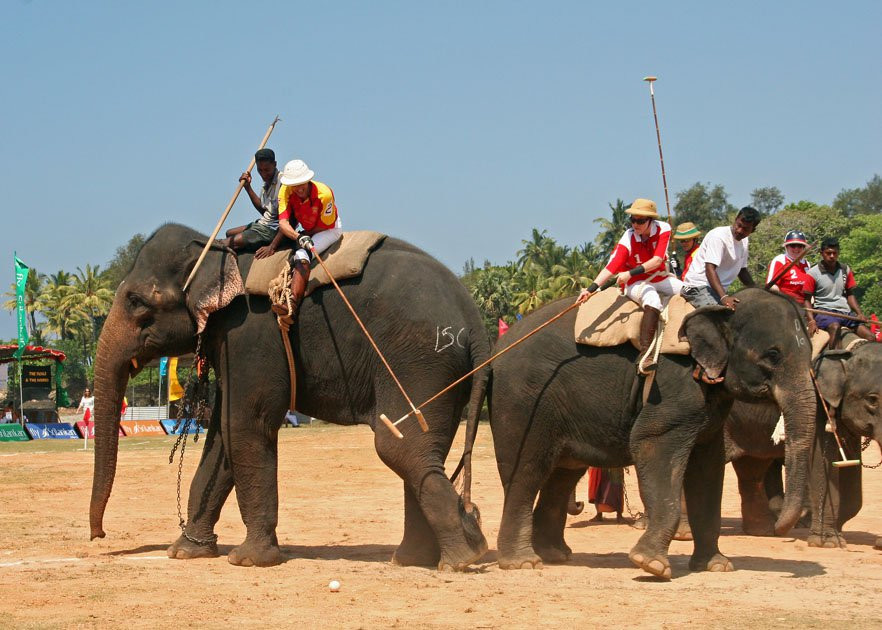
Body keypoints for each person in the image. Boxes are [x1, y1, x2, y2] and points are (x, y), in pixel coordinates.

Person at [578, 198, 682, 374]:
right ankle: (646, 355)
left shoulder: (664, 228)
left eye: (640, 221)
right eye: (633, 220)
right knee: (652, 299)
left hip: (658, 276)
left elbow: (657, 260)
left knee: (689, 290)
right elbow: (612, 267)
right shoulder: (628, 237)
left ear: (651, 221)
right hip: (636, 282)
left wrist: (629, 272)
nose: (635, 224)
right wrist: (591, 289)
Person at [270, 159, 343, 322]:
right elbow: (283, 223)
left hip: (328, 229)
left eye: (301, 183)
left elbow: (327, 224)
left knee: (302, 253)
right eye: (294, 185)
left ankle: (292, 306)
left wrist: (304, 236)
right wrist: (298, 236)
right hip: (306, 231)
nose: (298, 189)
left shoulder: (324, 194)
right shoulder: (285, 192)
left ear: (308, 180)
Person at [680, 206, 761, 310]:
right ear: (736, 219)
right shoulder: (718, 237)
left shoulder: (744, 241)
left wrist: (758, 290)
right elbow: (710, 268)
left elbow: (742, 271)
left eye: (745, 229)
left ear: (752, 230)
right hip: (697, 287)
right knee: (720, 318)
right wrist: (724, 297)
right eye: (739, 225)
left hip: (717, 291)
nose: (740, 230)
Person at [808, 237, 876, 349]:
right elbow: (807, 299)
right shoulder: (812, 273)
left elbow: (850, 294)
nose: (832, 256)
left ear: (838, 253)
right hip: (824, 312)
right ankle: (831, 359)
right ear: (822, 253)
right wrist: (811, 320)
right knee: (835, 327)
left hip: (845, 313)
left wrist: (859, 313)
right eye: (828, 253)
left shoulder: (845, 270)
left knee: (871, 336)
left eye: (835, 253)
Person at [223, 148, 284, 259]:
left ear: (275, 164)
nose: (263, 174)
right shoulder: (266, 185)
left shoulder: (283, 184)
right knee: (229, 233)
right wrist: (248, 187)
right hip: (263, 224)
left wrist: (272, 246)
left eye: (267, 170)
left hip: (271, 230)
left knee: (224, 244)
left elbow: (289, 220)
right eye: (260, 170)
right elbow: (264, 210)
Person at [766, 230, 818, 333]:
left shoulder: (806, 264)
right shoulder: (780, 260)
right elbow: (771, 286)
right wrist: (788, 302)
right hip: (784, 305)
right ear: (786, 247)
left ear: (804, 247)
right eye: (792, 246)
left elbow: (809, 289)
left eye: (800, 246)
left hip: (805, 308)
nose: (796, 249)